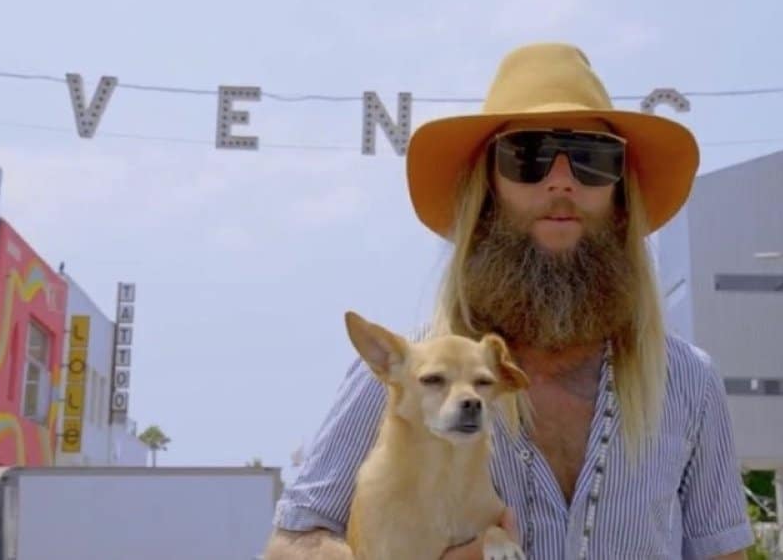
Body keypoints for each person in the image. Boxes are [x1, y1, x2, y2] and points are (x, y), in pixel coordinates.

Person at [263, 43, 754, 559]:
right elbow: (292, 541)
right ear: (487, 191)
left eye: (592, 159)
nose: (561, 180)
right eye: (528, 156)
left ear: (620, 196)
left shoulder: (688, 382)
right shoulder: (405, 372)